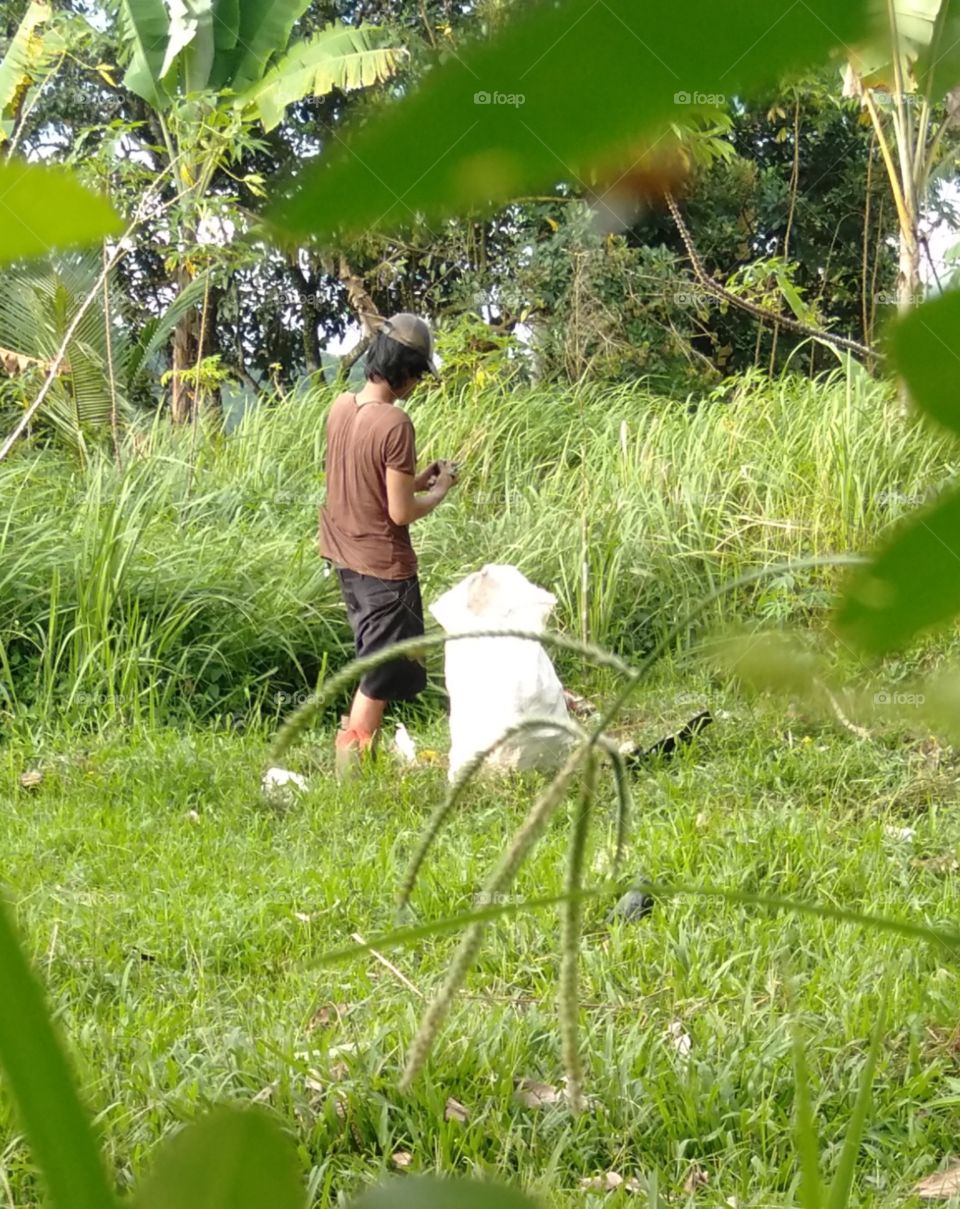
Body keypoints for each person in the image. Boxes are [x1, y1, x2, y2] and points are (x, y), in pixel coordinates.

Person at [319, 313, 459, 777]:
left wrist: (417, 479)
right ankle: (350, 777)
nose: (417, 384)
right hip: (383, 567)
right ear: (402, 369)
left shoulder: (342, 407)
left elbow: (365, 484)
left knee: (377, 662)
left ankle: (361, 763)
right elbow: (399, 513)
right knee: (378, 676)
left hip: (345, 558)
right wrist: (437, 493)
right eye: (418, 374)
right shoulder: (396, 423)